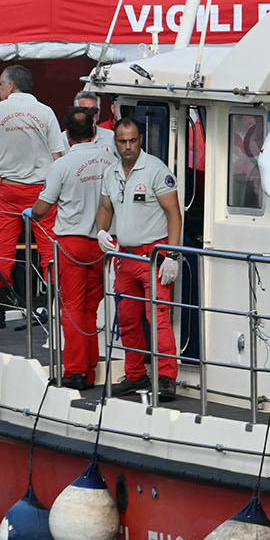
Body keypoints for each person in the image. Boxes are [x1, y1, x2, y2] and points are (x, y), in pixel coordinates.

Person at [95, 119, 183, 399]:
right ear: (115, 142)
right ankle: (135, 375)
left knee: (157, 318)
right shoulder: (111, 173)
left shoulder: (156, 170)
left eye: (133, 140)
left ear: (140, 139)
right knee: (128, 319)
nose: (128, 146)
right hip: (126, 256)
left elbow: (174, 214)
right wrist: (100, 231)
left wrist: (171, 254)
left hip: (153, 254)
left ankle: (167, 377)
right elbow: (106, 207)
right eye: (122, 141)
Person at [0, 65, 65, 327]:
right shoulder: (45, 112)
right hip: (41, 191)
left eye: (1, 84)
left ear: (11, 86)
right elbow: (58, 157)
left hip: (9, 189)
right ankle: (53, 307)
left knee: (3, 248)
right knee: (49, 248)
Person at [31, 108, 115, 389]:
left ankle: (77, 371)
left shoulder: (63, 165)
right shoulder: (110, 159)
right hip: (103, 243)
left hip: (72, 244)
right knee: (91, 309)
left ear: (66, 134)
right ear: (94, 129)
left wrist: (30, 212)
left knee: (72, 309)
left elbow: (43, 208)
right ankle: (89, 369)